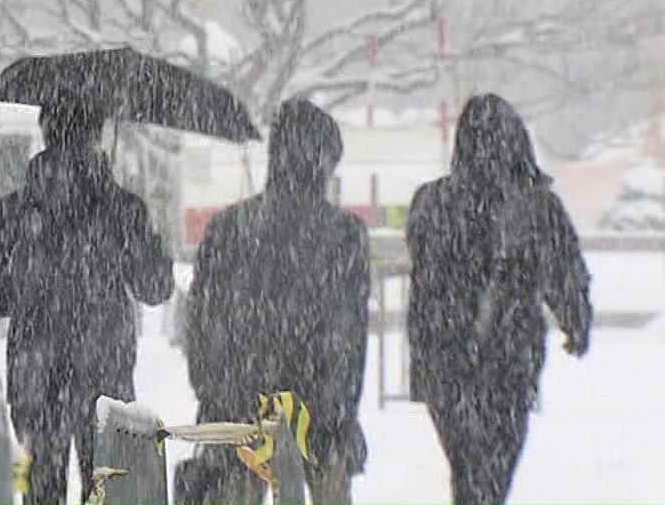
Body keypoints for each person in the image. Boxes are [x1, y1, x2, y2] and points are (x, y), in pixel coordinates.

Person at [180, 99, 369, 505]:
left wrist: (215, 397)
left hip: (242, 408)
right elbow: (350, 334)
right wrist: (339, 411)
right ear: (323, 162)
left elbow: (202, 322)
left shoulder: (230, 229)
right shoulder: (343, 234)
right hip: (323, 412)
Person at [406, 94, 594, 505]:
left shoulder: (431, 204)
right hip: (509, 358)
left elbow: (424, 285)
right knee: (494, 471)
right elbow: (565, 272)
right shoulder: (538, 207)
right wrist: (575, 322)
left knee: (466, 466)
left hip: (447, 361)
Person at [0, 97, 174, 505]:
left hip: (34, 374)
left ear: (45, 134)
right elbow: (155, 288)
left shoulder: (14, 210)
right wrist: (149, 243)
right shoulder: (124, 209)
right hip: (105, 369)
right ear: (99, 134)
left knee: (40, 490)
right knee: (107, 487)